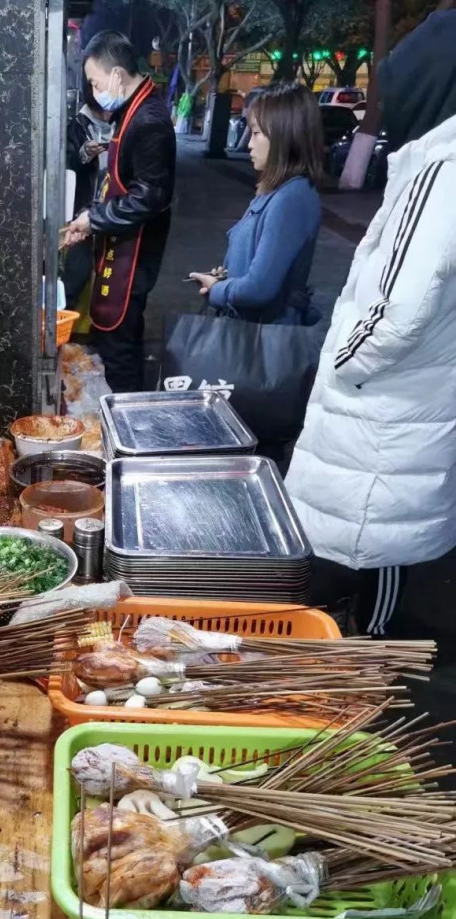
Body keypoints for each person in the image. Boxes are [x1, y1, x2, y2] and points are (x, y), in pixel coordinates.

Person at [286, 9, 456, 635]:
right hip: (399, 415)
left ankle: (372, 676)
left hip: (387, 421)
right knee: (366, 562)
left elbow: (397, 310)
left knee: (375, 568)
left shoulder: (441, 171)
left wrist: (344, 361)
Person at [64, 31, 176, 393]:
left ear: (116, 74)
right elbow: (116, 183)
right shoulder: (130, 111)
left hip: (134, 256)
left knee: (120, 349)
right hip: (119, 245)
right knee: (114, 343)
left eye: (95, 82)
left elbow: (150, 197)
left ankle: (126, 413)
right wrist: (89, 217)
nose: (94, 90)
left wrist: (94, 219)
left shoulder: (149, 120)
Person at [189, 82, 323, 326]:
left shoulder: (292, 198)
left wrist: (218, 290)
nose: (249, 144)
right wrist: (228, 276)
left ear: (284, 135)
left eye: (257, 133)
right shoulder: (277, 190)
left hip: (264, 334)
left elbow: (260, 288)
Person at [63, 88, 113, 310]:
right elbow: (67, 163)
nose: (108, 114)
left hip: (108, 205)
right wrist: (85, 152)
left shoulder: (120, 123)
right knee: (79, 269)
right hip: (81, 207)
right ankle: (66, 315)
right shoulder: (77, 125)